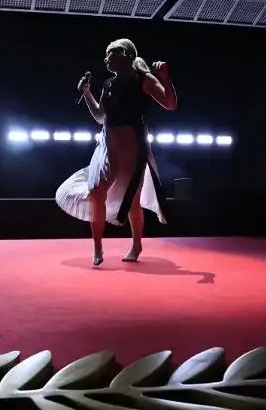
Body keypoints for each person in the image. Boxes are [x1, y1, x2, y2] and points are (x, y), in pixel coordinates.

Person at [55, 38, 177, 266]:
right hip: (108, 144)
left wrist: (165, 79)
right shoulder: (109, 84)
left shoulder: (144, 79)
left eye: (110, 54)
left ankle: (136, 245)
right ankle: (98, 248)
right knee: (97, 192)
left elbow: (170, 105)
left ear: (124, 54)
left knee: (132, 200)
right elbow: (101, 116)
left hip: (132, 145)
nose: (106, 59)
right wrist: (88, 93)